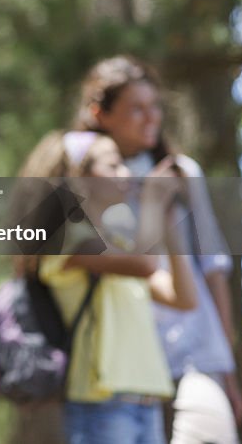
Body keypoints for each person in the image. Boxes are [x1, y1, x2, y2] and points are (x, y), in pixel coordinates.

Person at [75, 55, 242, 444]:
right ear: (101, 113)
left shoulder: (182, 173)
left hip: (196, 350)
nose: (151, 118)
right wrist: (150, 201)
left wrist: (229, 368)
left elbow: (214, 268)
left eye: (155, 107)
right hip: (126, 359)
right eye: (136, 109)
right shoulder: (90, 179)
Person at [24, 129, 197, 444]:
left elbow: (183, 298)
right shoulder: (68, 239)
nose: (126, 173)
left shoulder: (120, 241)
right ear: (78, 179)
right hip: (101, 400)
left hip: (146, 398)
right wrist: (153, 201)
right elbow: (145, 265)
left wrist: (170, 226)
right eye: (113, 165)